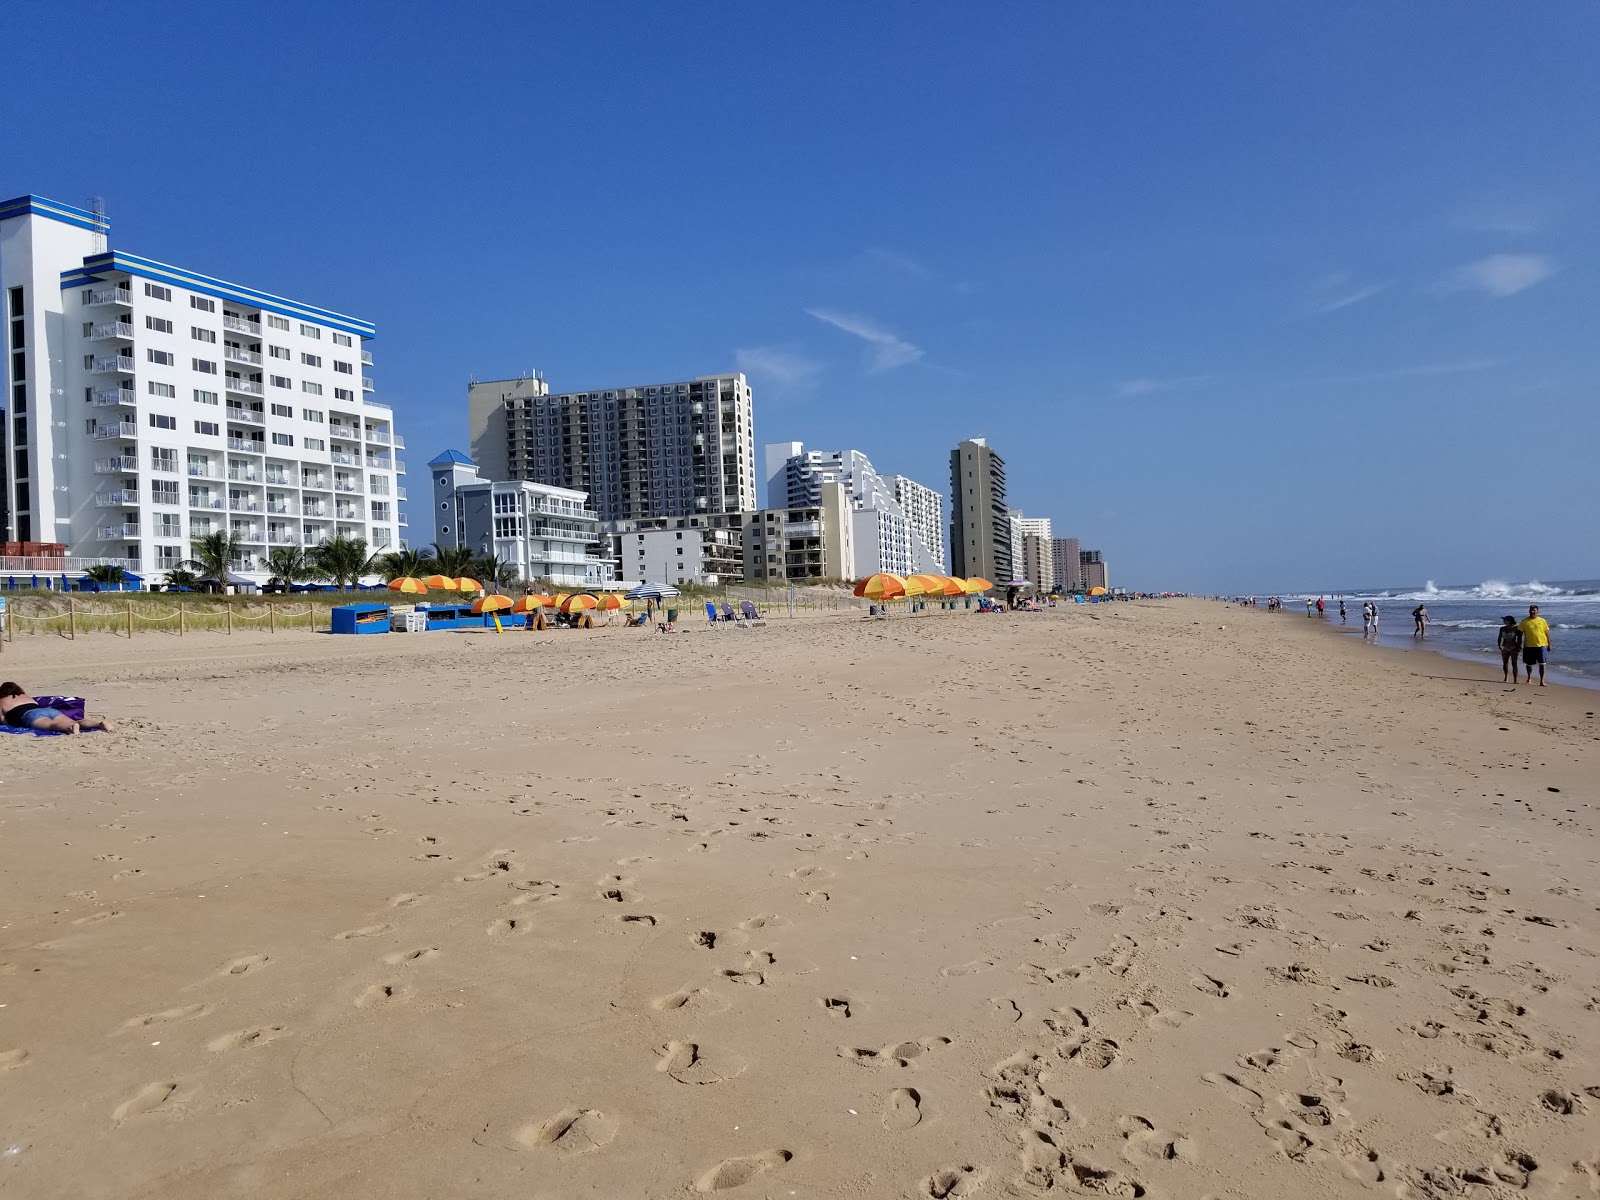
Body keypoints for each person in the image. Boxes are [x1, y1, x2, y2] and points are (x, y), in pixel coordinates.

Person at [0, 683, 112, 734]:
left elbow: (3, 720)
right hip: (48, 710)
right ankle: (99, 724)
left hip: (29, 715)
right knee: (76, 721)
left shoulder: (2, 700)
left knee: (51, 725)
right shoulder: (26, 696)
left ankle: (71, 727)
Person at [1518, 604, 1552, 686]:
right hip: (1529, 646)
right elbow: (1520, 634)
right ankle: (1529, 679)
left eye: (1534, 610)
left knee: (1542, 663)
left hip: (1541, 645)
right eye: (1531, 610)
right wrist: (1519, 644)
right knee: (1529, 664)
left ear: (1537, 611)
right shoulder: (1524, 621)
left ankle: (1542, 681)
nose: (1532, 612)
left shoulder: (1542, 620)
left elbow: (1546, 632)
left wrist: (1549, 643)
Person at [1496, 615, 1523, 683]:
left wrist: (1518, 647)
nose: (1504, 621)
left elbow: (1519, 639)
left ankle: (1515, 679)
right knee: (1505, 663)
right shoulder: (1502, 629)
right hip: (1504, 647)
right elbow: (1499, 638)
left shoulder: (1516, 629)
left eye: (1505, 620)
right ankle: (1506, 676)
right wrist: (1499, 645)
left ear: (1509, 621)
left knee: (1514, 663)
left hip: (1513, 647)